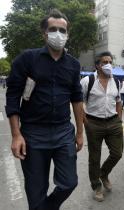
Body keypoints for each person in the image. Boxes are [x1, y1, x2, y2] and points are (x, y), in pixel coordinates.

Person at [5, 9, 83, 210]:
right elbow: (13, 97)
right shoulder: (27, 59)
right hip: (33, 133)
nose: (58, 34)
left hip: (63, 132)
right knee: (35, 190)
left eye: (63, 30)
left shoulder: (74, 65)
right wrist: (16, 135)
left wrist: (80, 133)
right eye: (53, 29)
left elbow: (77, 99)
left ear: (67, 34)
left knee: (69, 183)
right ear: (44, 33)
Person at [80, 51, 123, 202]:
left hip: (113, 122)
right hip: (94, 123)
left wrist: (119, 119)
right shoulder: (87, 81)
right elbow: (79, 102)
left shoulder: (117, 82)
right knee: (94, 158)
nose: (108, 64)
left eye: (110, 61)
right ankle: (96, 186)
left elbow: (118, 101)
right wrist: (85, 121)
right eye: (104, 62)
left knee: (117, 153)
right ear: (97, 65)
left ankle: (103, 174)